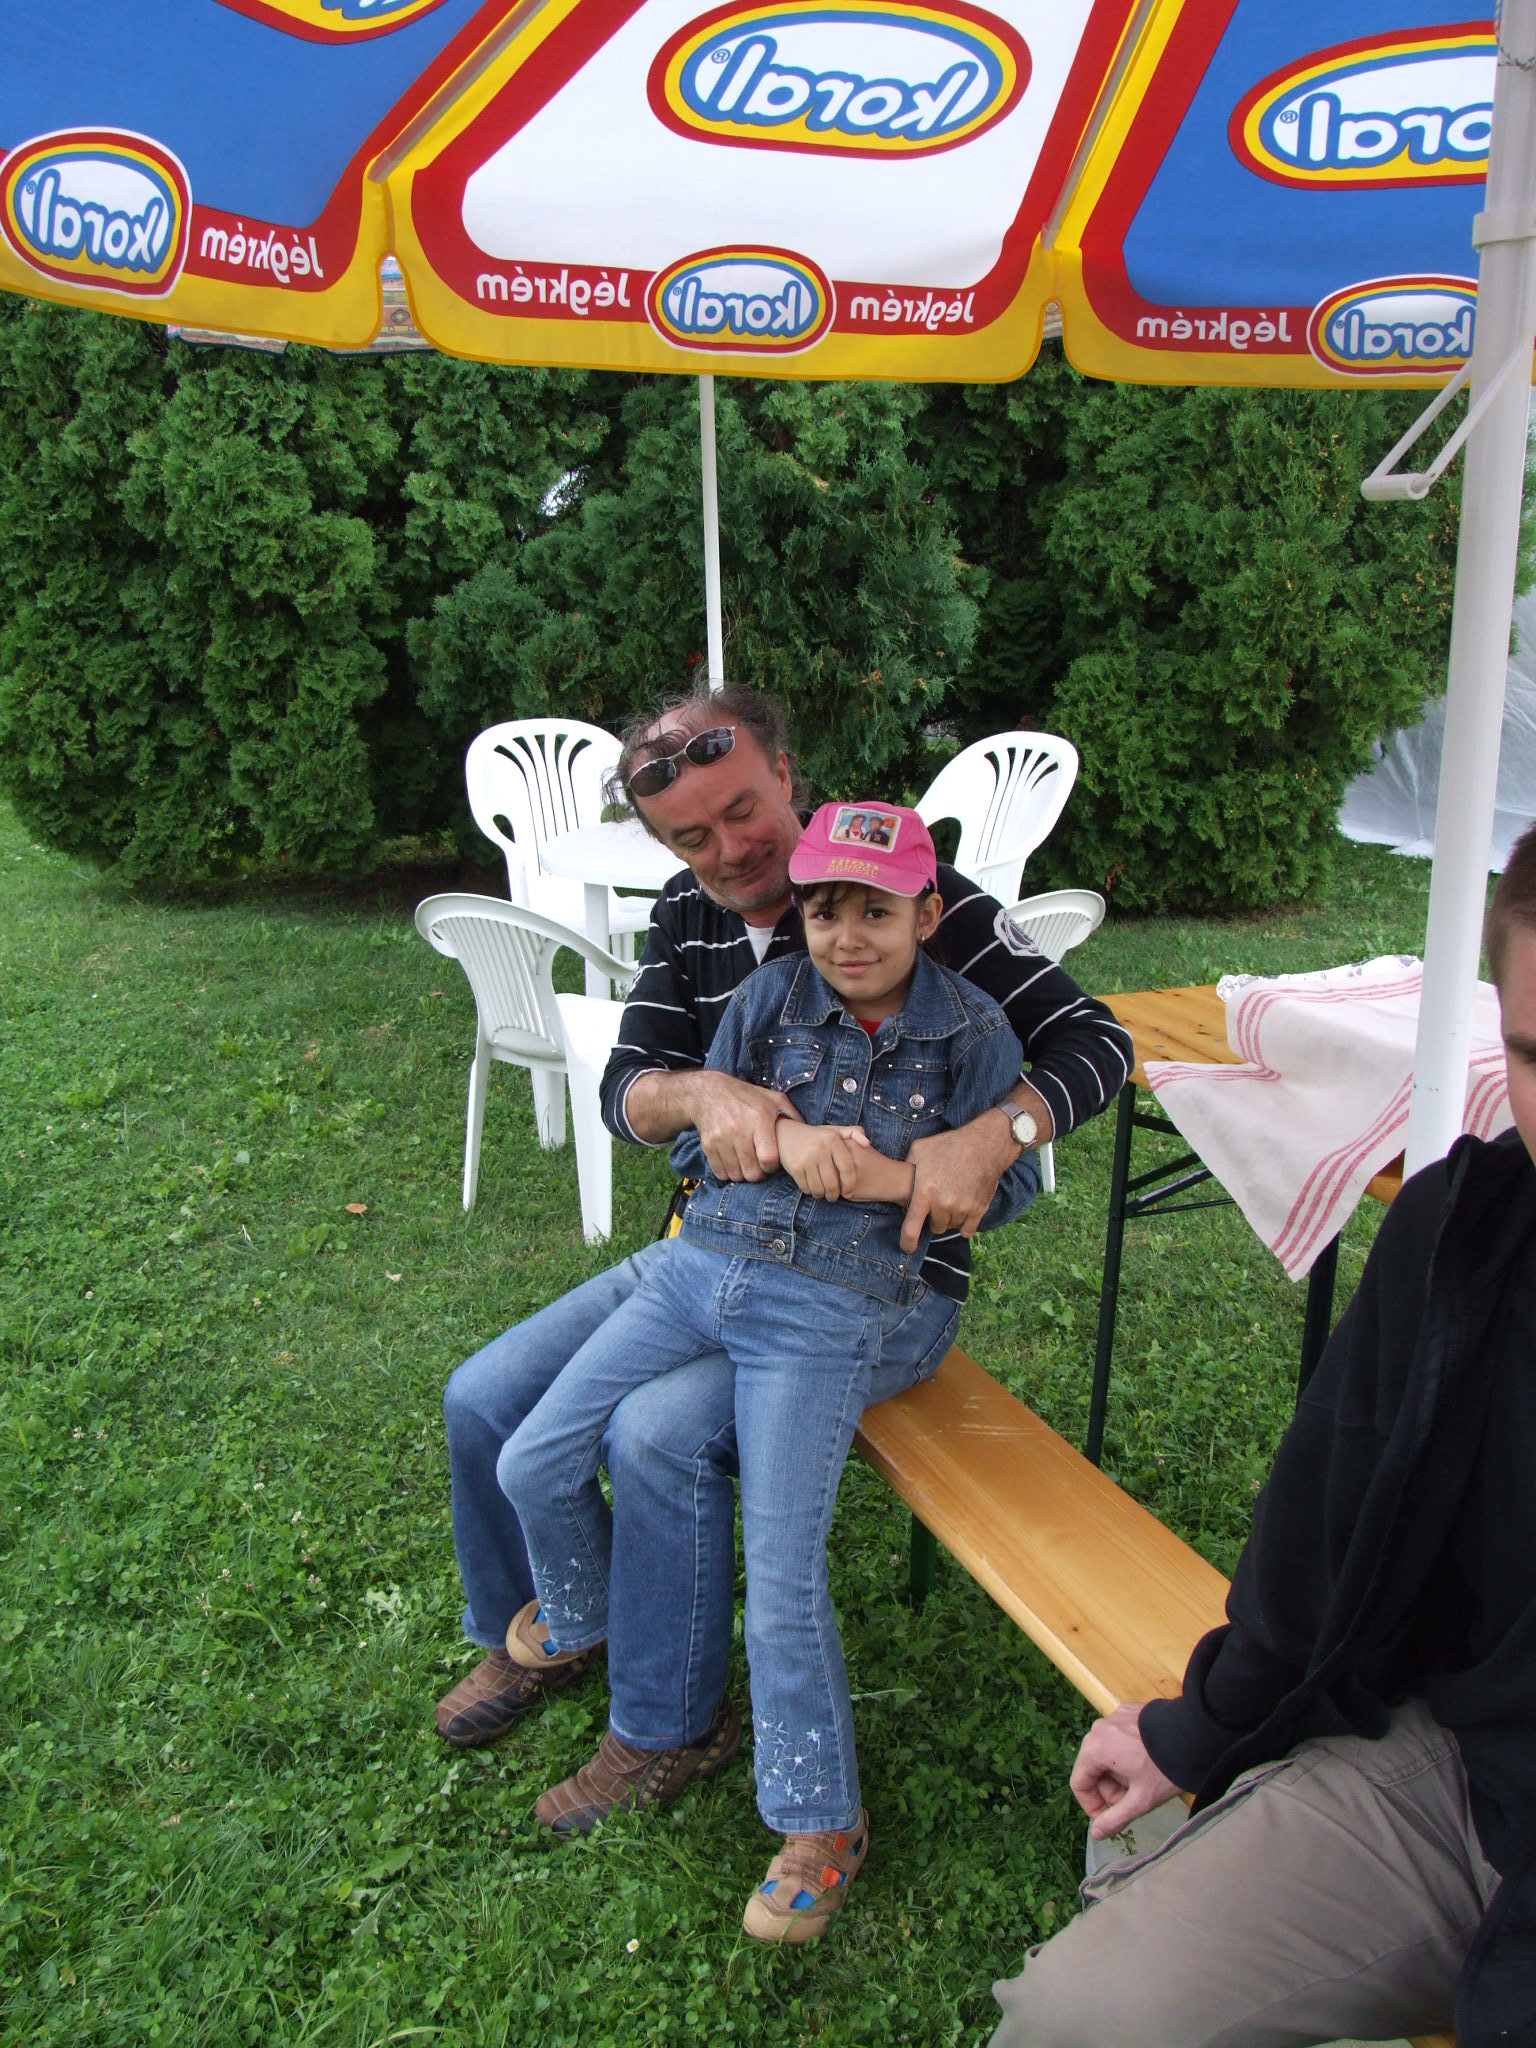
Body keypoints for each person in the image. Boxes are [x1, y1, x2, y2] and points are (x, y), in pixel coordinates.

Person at [437, 683, 1133, 1836]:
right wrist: (706, 1093)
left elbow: (1095, 1038)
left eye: (741, 811)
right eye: (690, 836)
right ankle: (555, 1618)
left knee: (653, 1433)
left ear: (786, 776)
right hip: (712, 1245)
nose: (727, 850)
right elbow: (626, 1088)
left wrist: (997, 1130)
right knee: (481, 1396)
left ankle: (663, 1720)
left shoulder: (918, 898)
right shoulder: (689, 916)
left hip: (863, 1282)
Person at [988, 825, 1536, 2048]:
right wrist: (1200, 1724)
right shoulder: (1468, 1227)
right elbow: (1326, 1538)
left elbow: (1075, 1044)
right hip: (1463, 1785)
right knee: (1069, 2021)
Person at [496, 801, 1038, 1940]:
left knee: (782, 1573)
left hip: (830, 1309)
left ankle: (818, 1818)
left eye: (876, 912)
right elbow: (700, 1138)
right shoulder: (766, 999)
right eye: (825, 910)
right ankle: (585, 1610)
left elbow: (1009, 1185)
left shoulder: (972, 1030)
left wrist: (891, 1178)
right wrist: (780, 1140)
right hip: (702, 1265)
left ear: (927, 915)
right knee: (533, 1453)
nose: (848, 936)